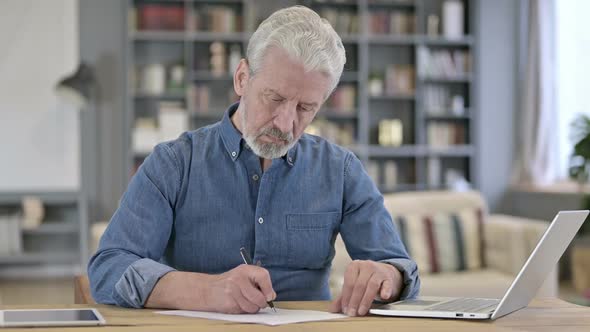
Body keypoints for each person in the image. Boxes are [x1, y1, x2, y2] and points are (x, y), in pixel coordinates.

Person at [88, 5, 419, 317]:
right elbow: (108, 268)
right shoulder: (174, 164)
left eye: (306, 108)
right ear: (242, 78)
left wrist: (386, 275)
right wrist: (207, 291)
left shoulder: (341, 170)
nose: (285, 123)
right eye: (274, 98)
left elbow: (402, 272)